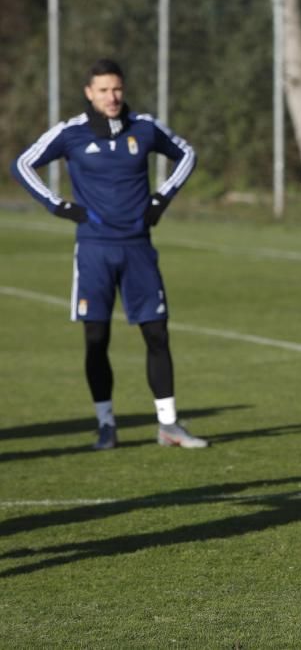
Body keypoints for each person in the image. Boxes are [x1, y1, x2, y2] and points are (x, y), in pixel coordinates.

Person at [10, 58, 205, 450]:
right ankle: (106, 424)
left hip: (138, 248)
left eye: (116, 89)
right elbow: (23, 164)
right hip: (94, 250)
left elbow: (186, 154)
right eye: (103, 90)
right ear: (89, 93)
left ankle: (168, 425)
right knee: (96, 337)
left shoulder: (145, 128)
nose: (111, 97)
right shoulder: (71, 133)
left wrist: (161, 199)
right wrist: (59, 206)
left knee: (156, 333)